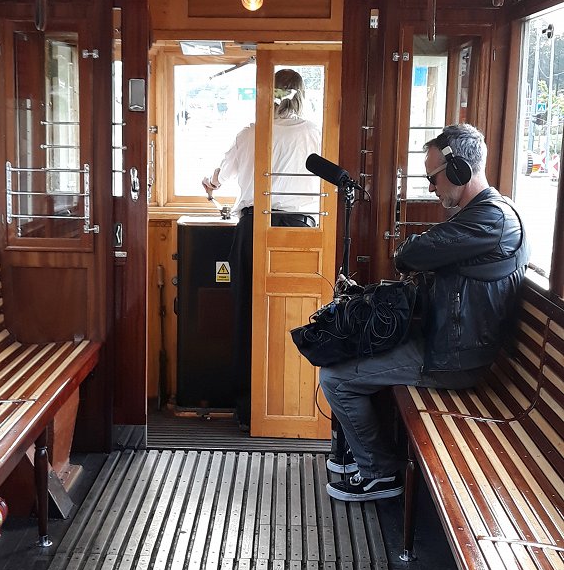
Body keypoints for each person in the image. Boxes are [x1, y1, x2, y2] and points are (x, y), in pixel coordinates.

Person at [320, 123, 529, 502]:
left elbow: (410, 254)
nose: (432, 189)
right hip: (449, 343)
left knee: (336, 378)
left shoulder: (490, 220)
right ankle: (365, 454)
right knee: (350, 348)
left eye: (433, 179)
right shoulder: (483, 214)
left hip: (453, 358)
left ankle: (380, 473)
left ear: (459, 171)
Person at [203, 69, 321, 429]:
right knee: (298, 317)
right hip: (300, 233)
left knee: (248, 316)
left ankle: (248, 411)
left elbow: (218, 176)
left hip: (256, 227)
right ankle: (294, 407)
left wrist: (210, 184)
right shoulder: (314, 132)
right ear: (300, 94)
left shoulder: (251, 132)